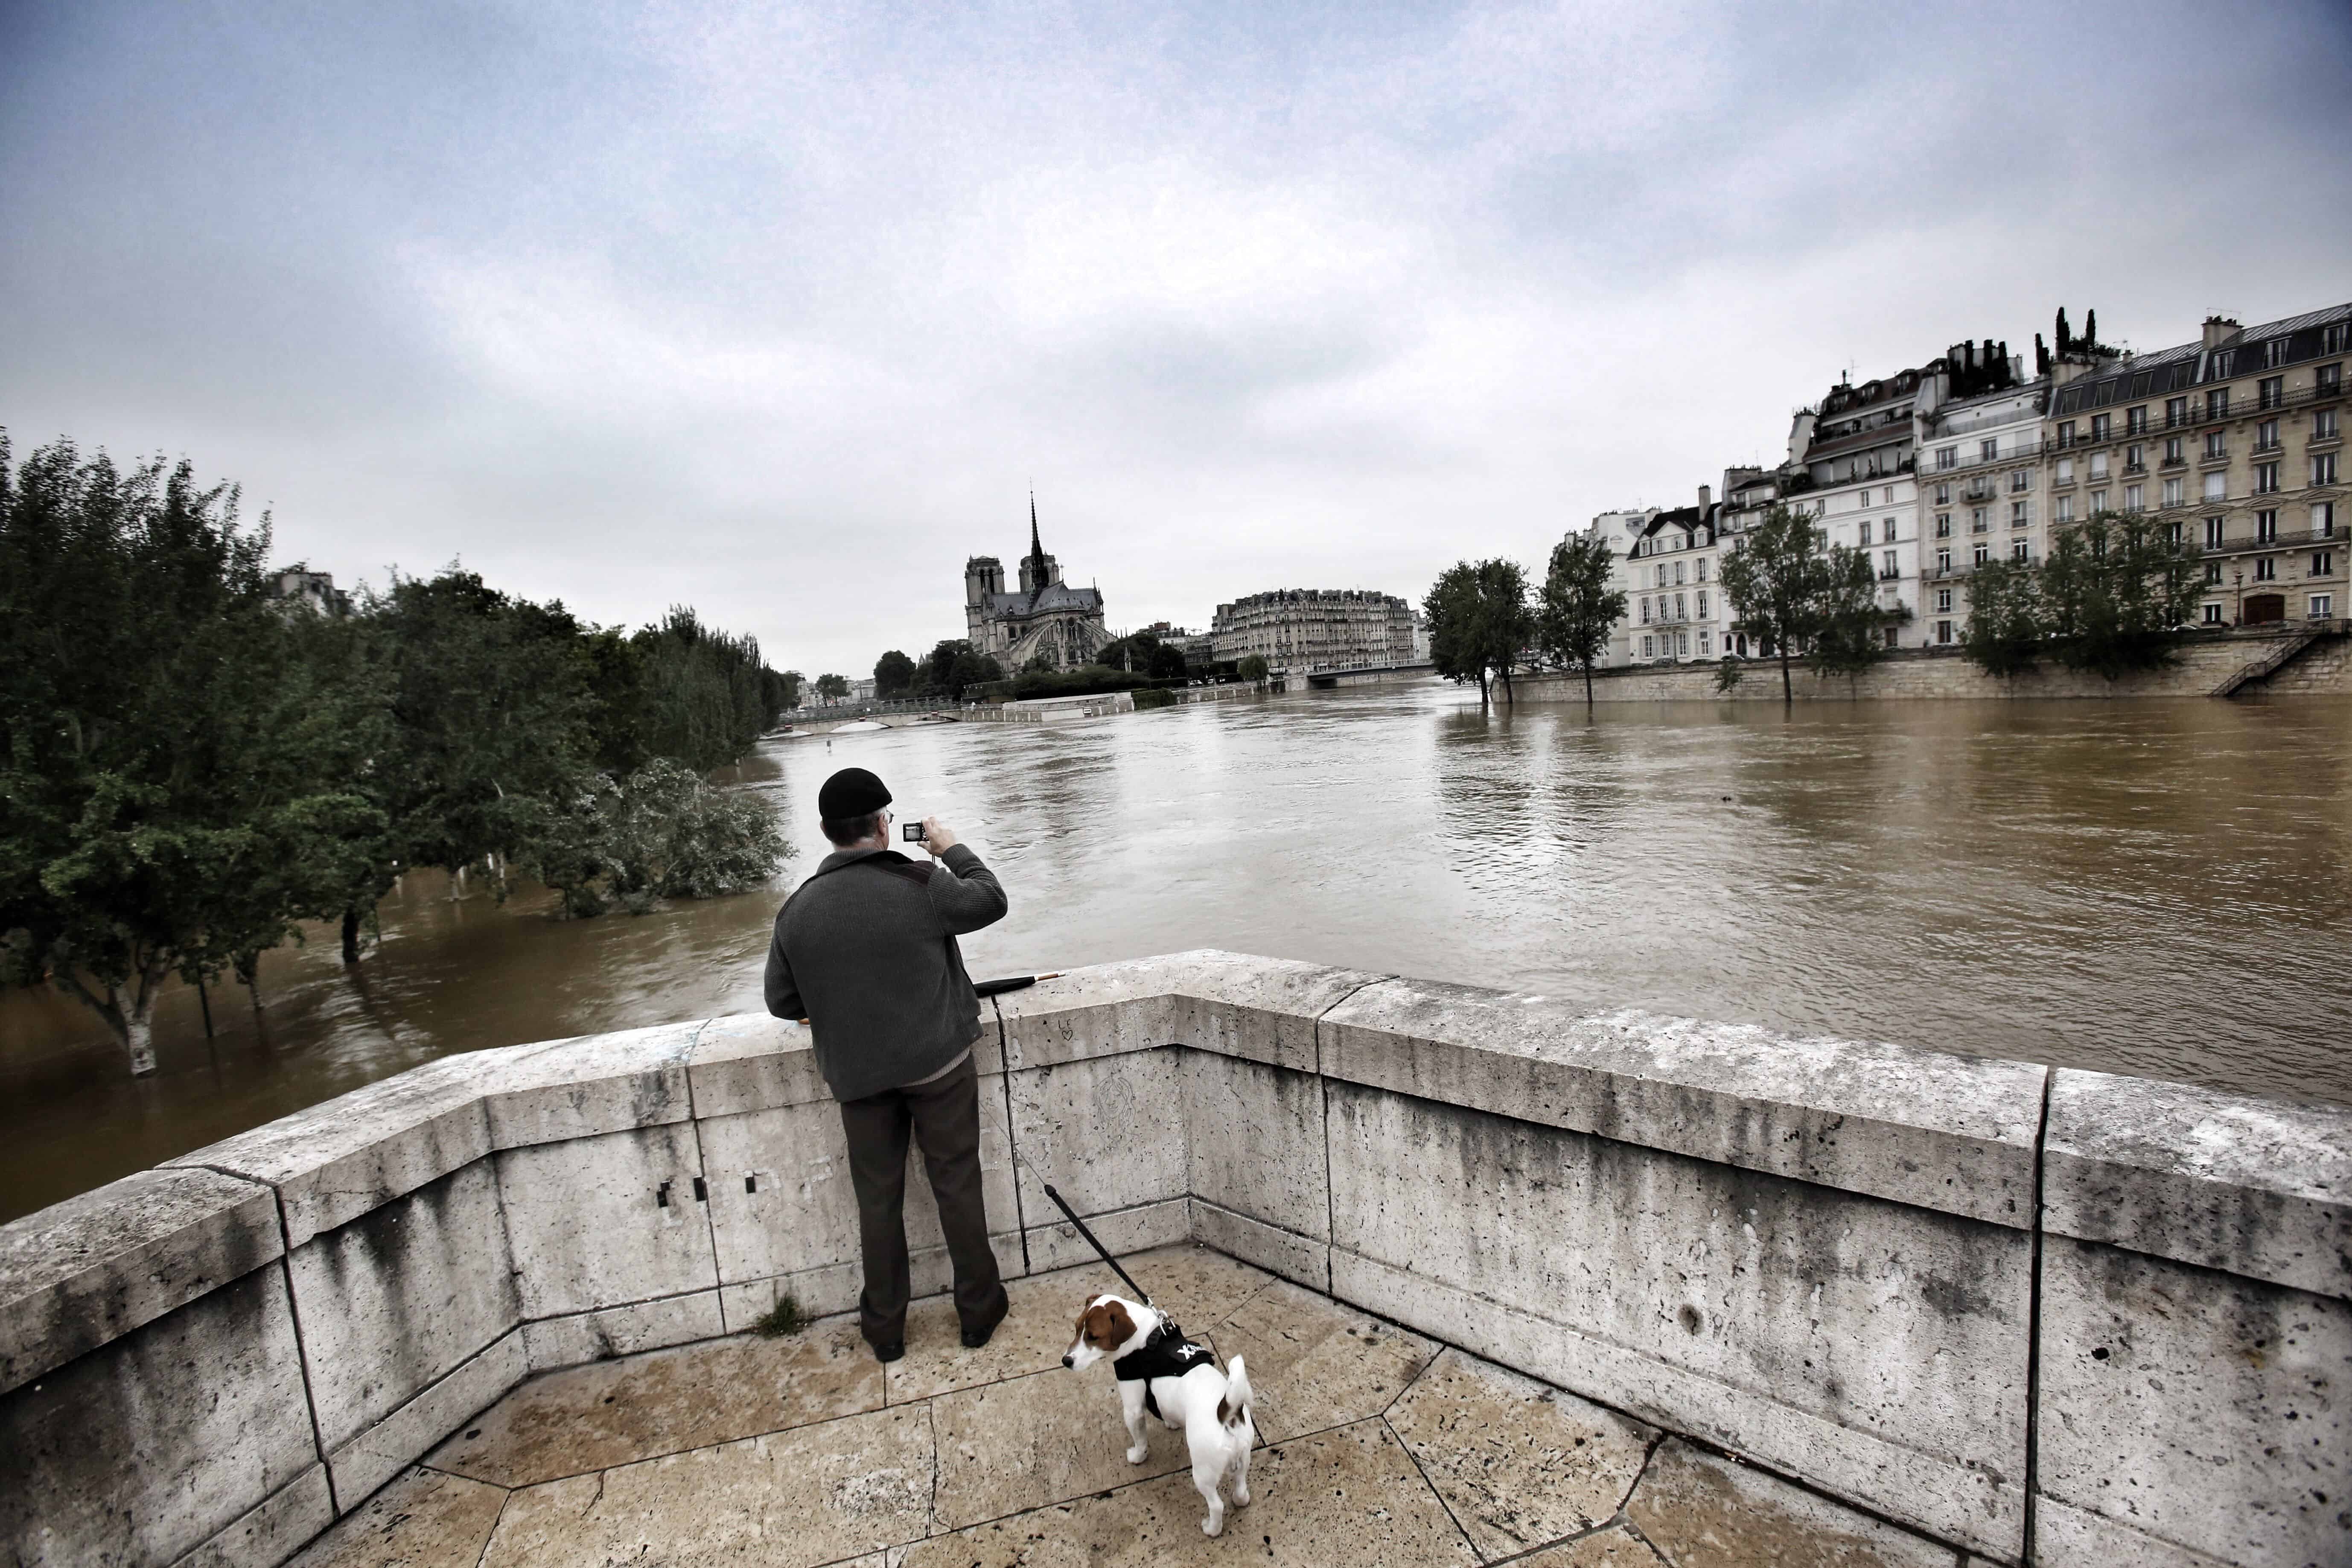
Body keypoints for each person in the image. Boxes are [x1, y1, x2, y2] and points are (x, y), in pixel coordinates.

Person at [764, 766, 1010, 1362]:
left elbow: (782, 1001)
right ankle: (977, 1314)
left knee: (878, 1201)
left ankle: (886, 1331)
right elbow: (991, 899)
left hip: (859, 1078)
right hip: (937, 1065)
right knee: (956, 1184)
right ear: (882, 825)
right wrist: (948, 846)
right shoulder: (922, 883)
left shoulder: (797, 911)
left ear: (826, 831)